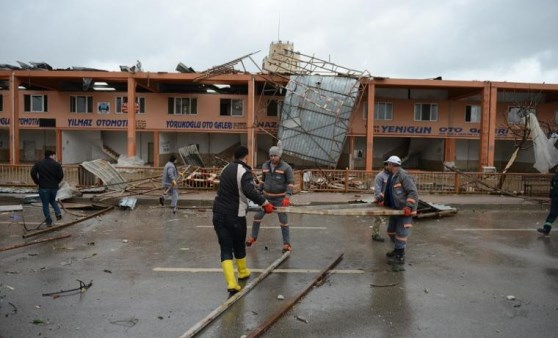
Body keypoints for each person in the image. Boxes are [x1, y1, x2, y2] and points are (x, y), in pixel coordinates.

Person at [212, 146, 274, 295]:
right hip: (235, 215)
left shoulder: (226, 168)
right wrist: (265, 203)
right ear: (246, 157)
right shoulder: (244, 171)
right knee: (239, 243)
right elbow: (249, 190)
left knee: (226, 247)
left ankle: (232, 282)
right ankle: (242, 271)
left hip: (218, 213)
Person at [246, 144, 295, 253]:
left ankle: (286, 244)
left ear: (279, 156)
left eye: (275, 156)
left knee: (283, 222)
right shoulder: (265, 166)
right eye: (271, 155)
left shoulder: (286, 167)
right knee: (257, 217)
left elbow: (291, 183)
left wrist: (287, 197)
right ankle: (253, 237)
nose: (272, 158)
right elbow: (263, 181)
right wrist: (258, 192)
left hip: (280, 200)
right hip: (266, 198)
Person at [381, 155, 418, 272]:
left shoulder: (404, 176)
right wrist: (383, 202)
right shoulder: (392, 176)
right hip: (395, 210)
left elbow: (412, 192)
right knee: (391, 231)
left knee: (401, 234)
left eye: (388, 164)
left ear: (392, 165)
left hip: (404, 211)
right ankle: (397, 249)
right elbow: (390, 193)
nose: (386, 166)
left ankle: (399, 259)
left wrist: (409, 206)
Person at [30, 150, 64, 227]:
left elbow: (33, 172)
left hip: (43, 187)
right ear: (51, 155)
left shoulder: (39, 163)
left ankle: (48, 221)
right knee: (52, 200)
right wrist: (56, 182)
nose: (55, 157)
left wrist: (37, 181)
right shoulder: (57, 164)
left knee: (45, 204)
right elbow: (61, 175)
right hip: (54, 187)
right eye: (55, 155)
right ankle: (58, 212)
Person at [370, 162, 389, 242]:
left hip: (390, 201)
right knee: (377, 218)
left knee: (391, 218)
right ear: (386, 165)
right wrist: (379, 199)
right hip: (380, 200)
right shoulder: (380, 176)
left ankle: (393, 234)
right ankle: (375, 234)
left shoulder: (393, 175)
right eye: (389, 164)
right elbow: (377, 191)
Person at [537, 168, 558, 236]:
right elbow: (552, 188)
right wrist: (550, 197)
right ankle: (546, 229)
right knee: (552, 213)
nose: (557, 169)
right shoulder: (554, 177)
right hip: (555, 198)